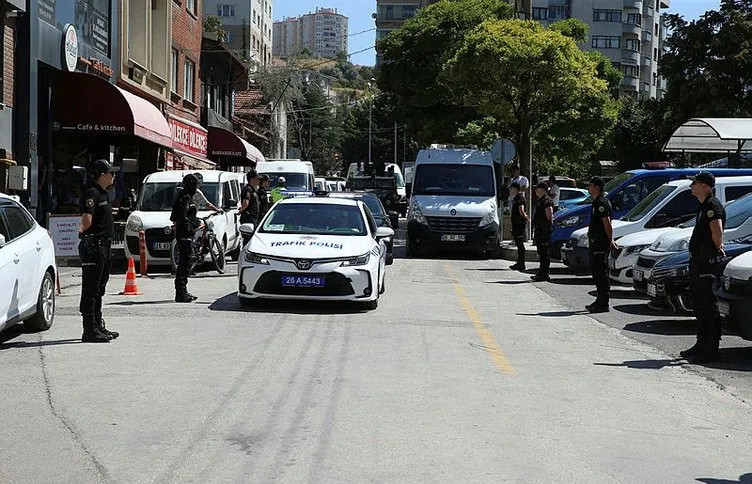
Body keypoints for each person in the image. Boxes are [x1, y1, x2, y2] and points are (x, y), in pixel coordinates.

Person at [681, 171, 726, 364]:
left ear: (706, 186)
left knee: (709, 305)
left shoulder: (712, 206)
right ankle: (701, 343)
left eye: (695, 183)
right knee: (699, 304)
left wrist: (717, 249)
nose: (692, 186)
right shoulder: (702, 206)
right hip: (698, 261)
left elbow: (717, 233)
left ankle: (711, 348)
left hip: (707, 261)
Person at [78, 159, 120, 343]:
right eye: (111, 173)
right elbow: (87, 220)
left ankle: (97, 325)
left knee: (100, 288)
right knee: (91, 289)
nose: (113, 176)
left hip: (104, 246)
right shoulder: (92, 193)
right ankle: (89, 329)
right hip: (94, 246)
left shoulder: (103, 193)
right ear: (102, 175)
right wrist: (82, 232)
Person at [586, 177, 615, 313]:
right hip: (595, 242)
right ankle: (599, 299)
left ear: (597, 187)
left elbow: (607, 223)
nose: (588, 188)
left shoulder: (602, 203)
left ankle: (604, 302)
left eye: (590, 185)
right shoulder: (596, 202)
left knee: (601, 273)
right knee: (597, 273)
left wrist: (610, 240)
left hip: (600, 243)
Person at [171, 174, 201, 303]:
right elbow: (179, 217)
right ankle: (181, 292)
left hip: (187, 233)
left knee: (187, 262)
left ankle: (183, 290)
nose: (196, 188)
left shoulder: (187, 197)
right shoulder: (184, 197)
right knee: (184, 263)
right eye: (195, 185)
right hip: (184, 234)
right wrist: (192, 225)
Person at [532, 182, 554, 282]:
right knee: (541, 253)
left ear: (543, 190)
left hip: (544, 230)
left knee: (544, 253)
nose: (536, 191)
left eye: (538, 189)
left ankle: (544, 274)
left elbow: (549, 216)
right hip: (540, 230)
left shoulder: (546, 201)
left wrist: (547, 228)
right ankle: (541, 273)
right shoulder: (540, 200)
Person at [509, 182, 529, 271]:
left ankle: (521, 263)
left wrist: (526, 217)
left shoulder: (520, 198)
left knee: (520, 244)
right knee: (518, 243)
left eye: (512, 188)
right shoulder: (516, 198)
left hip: (519, 224)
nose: (511, 190)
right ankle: (519, 262)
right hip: (516, 224)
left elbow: (521, 210)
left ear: (516, 189)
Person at [238, 170, 261, 245]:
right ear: (251, 179)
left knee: (252, 239)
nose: (259, 181)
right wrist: (240, 211)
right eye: (257, 179)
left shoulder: (253, 189)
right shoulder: (248, 189)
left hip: (253, 218)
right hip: (249, 218)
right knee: (248, 240)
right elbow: (245, 203)